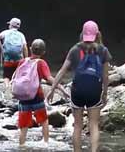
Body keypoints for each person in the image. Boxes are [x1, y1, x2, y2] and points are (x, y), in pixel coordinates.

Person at [47, 20, 111, 152]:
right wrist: (104, 93)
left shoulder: (75, 49)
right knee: (93, 125)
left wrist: (52, 89)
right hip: (94, 90)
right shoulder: (103, 51)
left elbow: (62, 71)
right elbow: (105, 76)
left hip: (77, 91)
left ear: (83, 34)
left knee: (77, 126)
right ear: (97, 34)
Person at [14, 39, 67, 147]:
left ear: (30, 49)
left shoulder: (22, 61)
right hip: (36, 96)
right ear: (43, 52)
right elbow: (49, 78)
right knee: (43, 120)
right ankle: (45, 142)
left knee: (23, 124)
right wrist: (61, 88)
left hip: (23, 97)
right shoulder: (41, 63)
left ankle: (21, 145)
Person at [0, 17, 28, 88]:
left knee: (6, 76)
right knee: (16, 75)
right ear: (18, 26)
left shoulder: (5, 32)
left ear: (10, 25)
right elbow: (25, 47)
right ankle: (15, 88)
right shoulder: (21, 34)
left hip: (8, 60)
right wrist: (26, 59)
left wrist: (2, 48)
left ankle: (7, 86)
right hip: (18, 60)